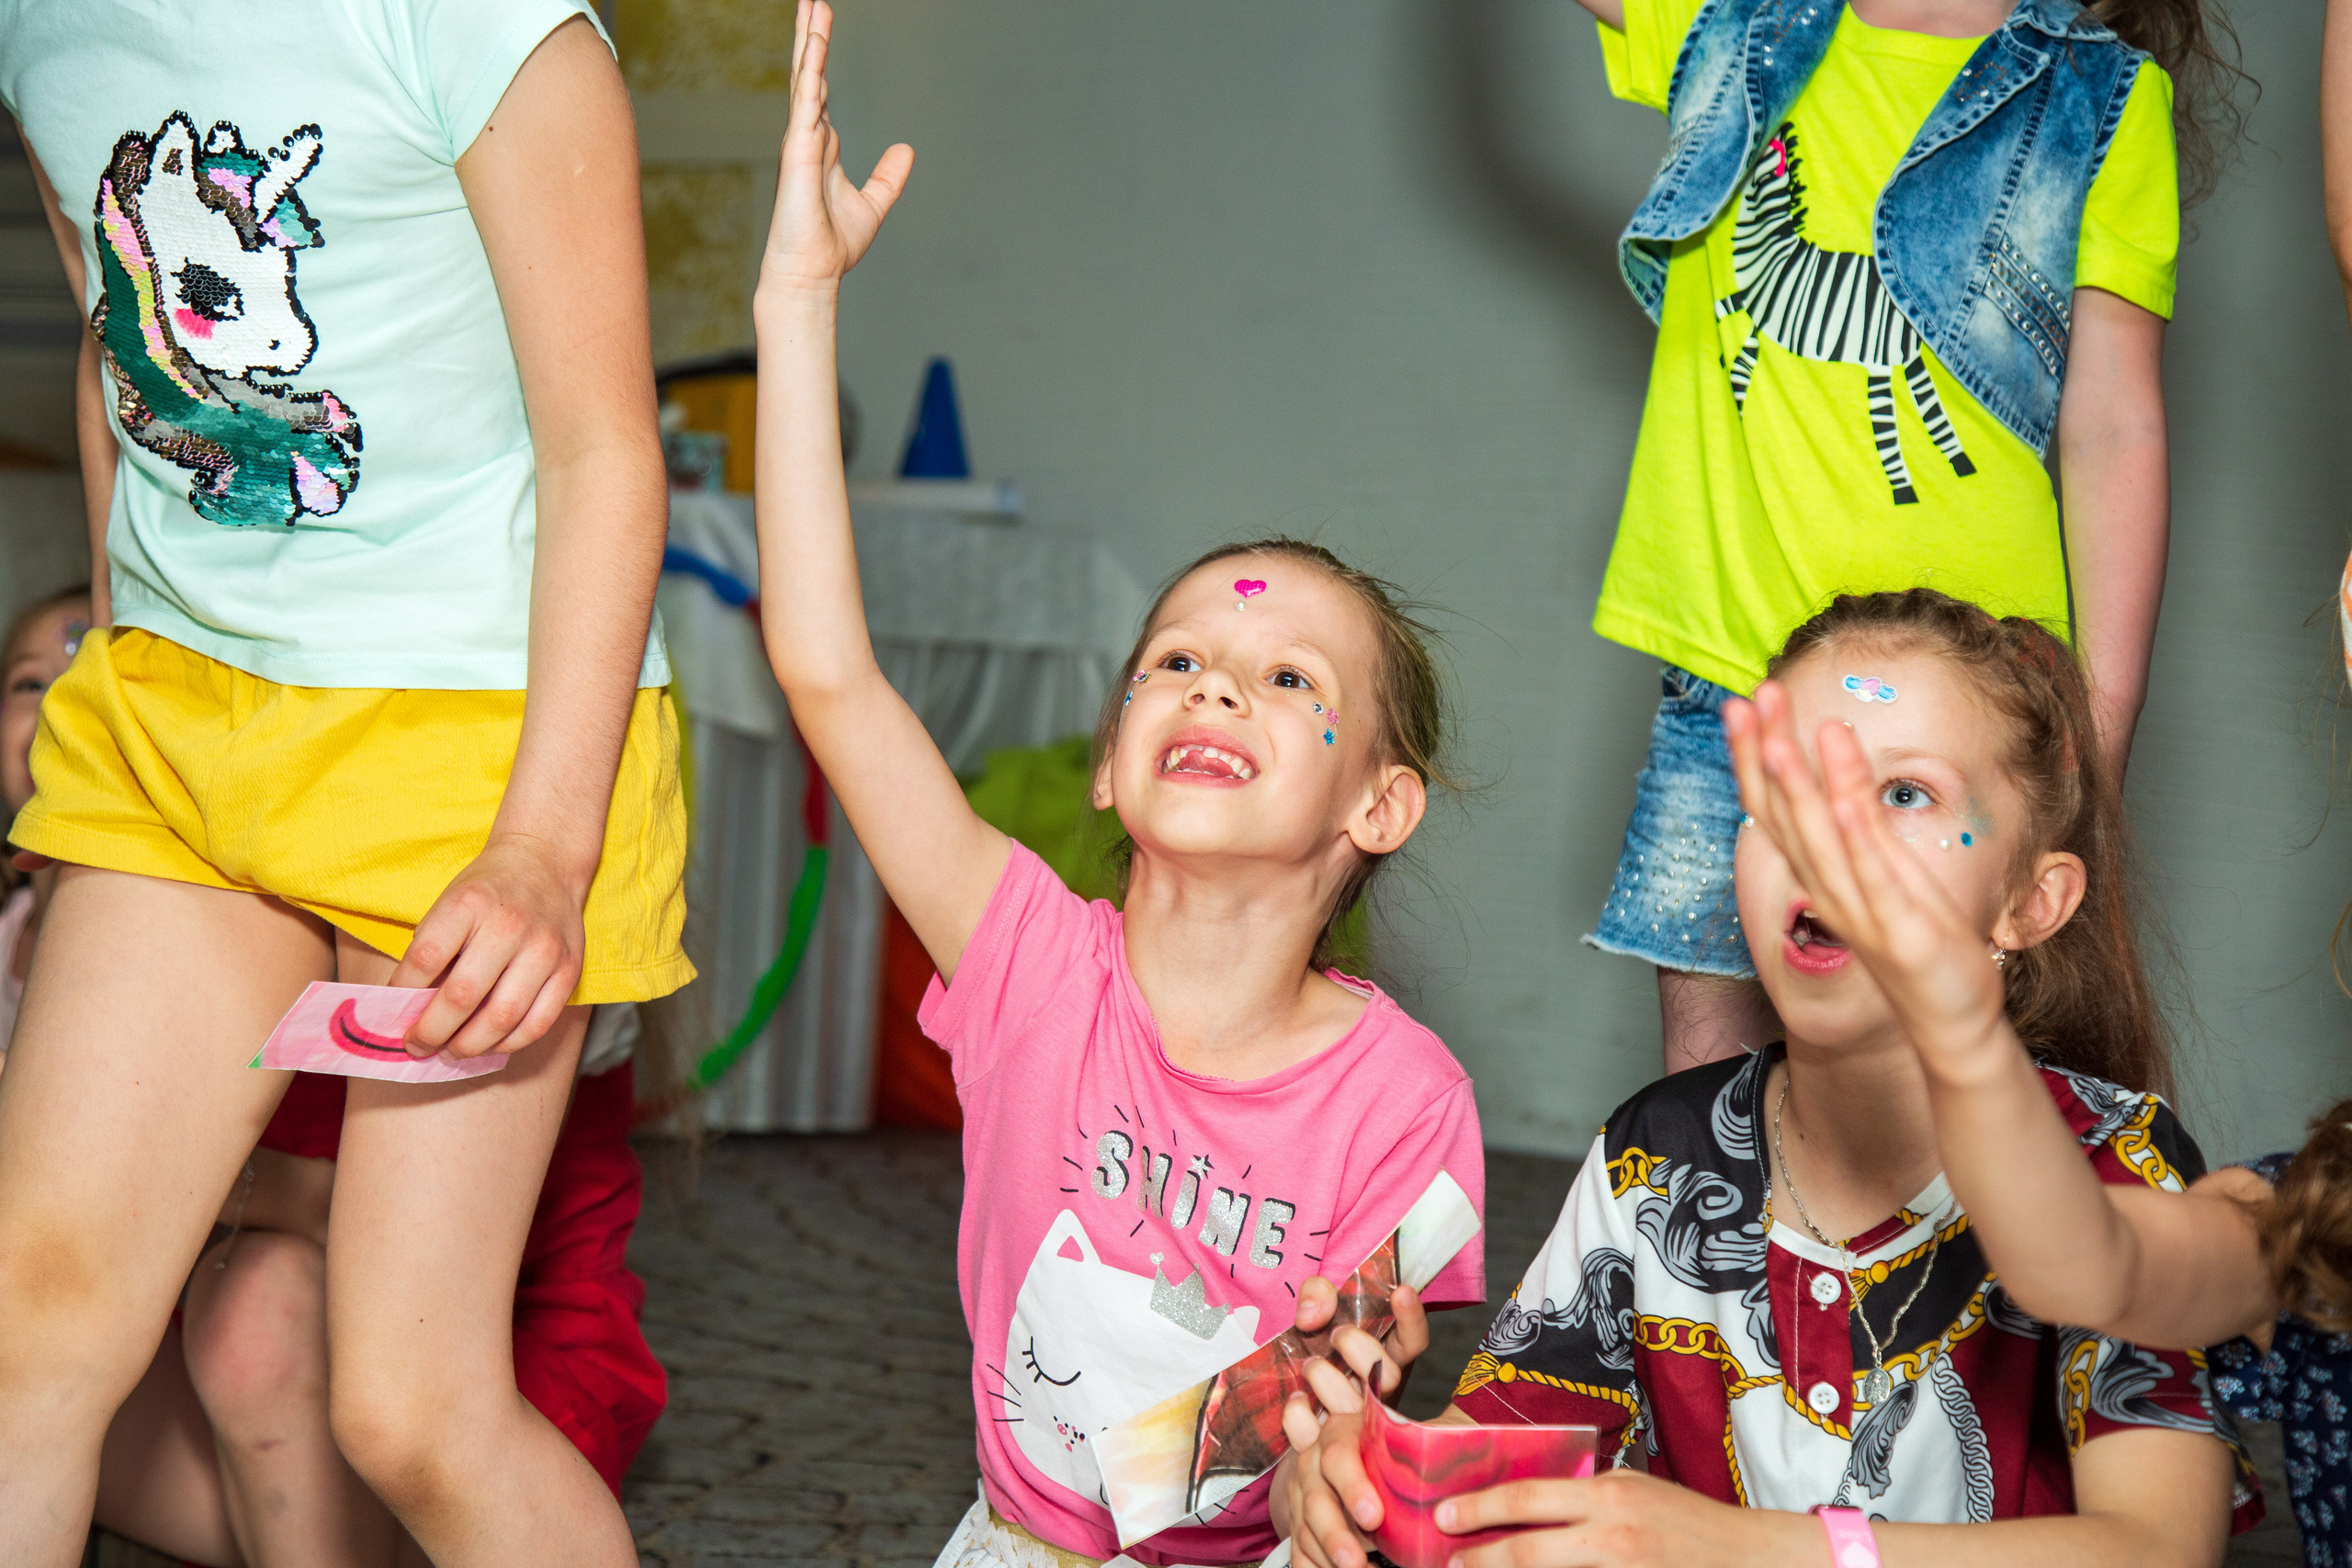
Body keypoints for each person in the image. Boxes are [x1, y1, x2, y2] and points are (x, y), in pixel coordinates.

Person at [754, 9, 1486, 1566]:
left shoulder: (1407, 1100)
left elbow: (1347, 1405)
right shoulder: (1028, 964)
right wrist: (797, 303)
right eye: (1179, 660)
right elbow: (827, 672)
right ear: (1109, 760)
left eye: (1289, 679)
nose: (1219, 685)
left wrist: (1341, 1398)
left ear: (1379, 806)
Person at [0, 4, 688, 1563]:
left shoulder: (487, 28)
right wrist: (116, 671)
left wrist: (541, 847)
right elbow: (120, 370)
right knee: (32, 1323)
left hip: (472, 731)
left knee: (410, 1402)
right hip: (178, 709)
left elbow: (603, 450)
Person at [1277, 589, 2258, 1568]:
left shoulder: (2114, 1163)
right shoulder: (1651, 1159)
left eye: (1904, 794)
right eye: (1787, 794)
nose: (1827, 840)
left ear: (2032, 902)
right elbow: (1485, 1471)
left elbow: (2158, 1549)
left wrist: (1738, 1547)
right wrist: (1344, 1478)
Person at [1562, 0, 2241, 1073]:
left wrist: (2098, 728)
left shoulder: (2101, 97)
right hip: (1730, 678)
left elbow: (2114, 423)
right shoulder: (1733, 25)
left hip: (1969, 710)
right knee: (1708, 1092)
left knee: (1949, 1085)